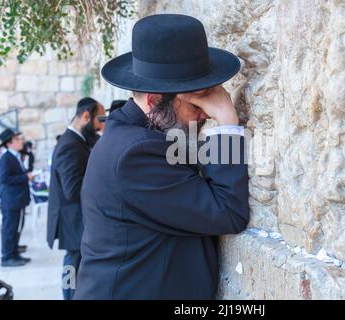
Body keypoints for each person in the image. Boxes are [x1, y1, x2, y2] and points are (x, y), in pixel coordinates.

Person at [74, 14, 249, 300]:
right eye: (197, 100)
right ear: (155, 100)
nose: (207, 111)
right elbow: (228, 212)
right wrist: (228, 124)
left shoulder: (137, 135)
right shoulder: (135, 153)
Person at [47, 97, 105, 300]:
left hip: (76, 217)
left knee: (74, 262)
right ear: (86, 116)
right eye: (100, 119)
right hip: (72, 219)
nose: (101, 125)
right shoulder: (70, 145)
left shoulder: (78, 140)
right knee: (72, 264)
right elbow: (72, 189)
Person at [0, 129, 34, 267]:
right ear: (10, 143)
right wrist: (26, 177)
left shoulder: (15, 156)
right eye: (17, 140)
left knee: (17, 227)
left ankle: (14, 253)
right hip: (11, 200)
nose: (21, 142)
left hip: (18, 199)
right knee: (9, 229)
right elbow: (3, 178)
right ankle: (7, 257)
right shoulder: (6, 158)